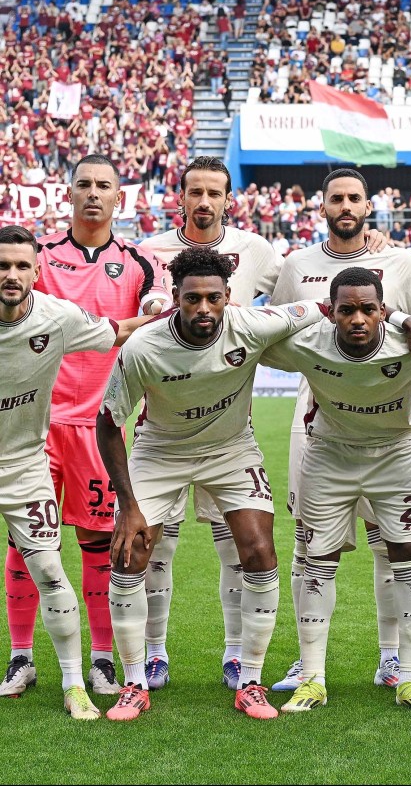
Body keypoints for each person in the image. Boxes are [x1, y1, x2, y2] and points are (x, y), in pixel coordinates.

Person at [137, 157, 390, 692]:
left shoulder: (258, 251)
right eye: (194, 192)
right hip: (160, 426)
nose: (204, 201)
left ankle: (235, 656)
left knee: (237, 542)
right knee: (160, 543)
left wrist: (375, 254)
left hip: (230, 429)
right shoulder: (149, 251)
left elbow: (290, 313)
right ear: (177, 197)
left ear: (229, 199)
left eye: (214, 192)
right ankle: (154, 655)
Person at [95, 247, 326, 721]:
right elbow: (107, 422)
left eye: (214, 298)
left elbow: (321, 306)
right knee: (131, 551)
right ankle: (134, 682)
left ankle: (251, 681)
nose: (204, 308)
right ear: (175, 297)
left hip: (231, 449)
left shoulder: (250, 324)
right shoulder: (144, 348)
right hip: (161, 451)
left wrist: (407, 321)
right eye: (193, 298)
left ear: (228, 297)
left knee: (260, 550)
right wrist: (129, 504)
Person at [267, 168, 411, 693]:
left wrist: (410, 321)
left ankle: (392, 657)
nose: (345, 206)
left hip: (387, 413)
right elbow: (276, 325)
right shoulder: (298, 264)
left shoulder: (400, 261)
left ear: (370, 206)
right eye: (336, 198)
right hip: (317, 415)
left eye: (354, 198)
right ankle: (308, 664)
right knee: (310, 546)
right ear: (322, 207)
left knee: (386, 543)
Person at [0, 155, 168, 699]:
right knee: (23, 544)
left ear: (121, 197)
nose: (93, 194)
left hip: (100, 425)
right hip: (37, 427)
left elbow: (152, 310)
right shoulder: (37, 258)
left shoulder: (139, 261)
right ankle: (21, 657)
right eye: (84, 185)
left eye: (104, 186)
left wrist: (159, 304)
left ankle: (100, 660)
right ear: (68, 194)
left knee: (99, 542)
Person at [262, 267, 411, 713]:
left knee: (407, 561)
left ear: (382, 311)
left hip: (396, 457)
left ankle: (409, 679)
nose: (358, 319)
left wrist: (408, 322)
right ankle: (313, 679)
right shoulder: (305, 344)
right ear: (331, 313)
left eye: (369, 310)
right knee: (317, 564)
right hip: (328, 458)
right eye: (347, 310)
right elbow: (253, 334)